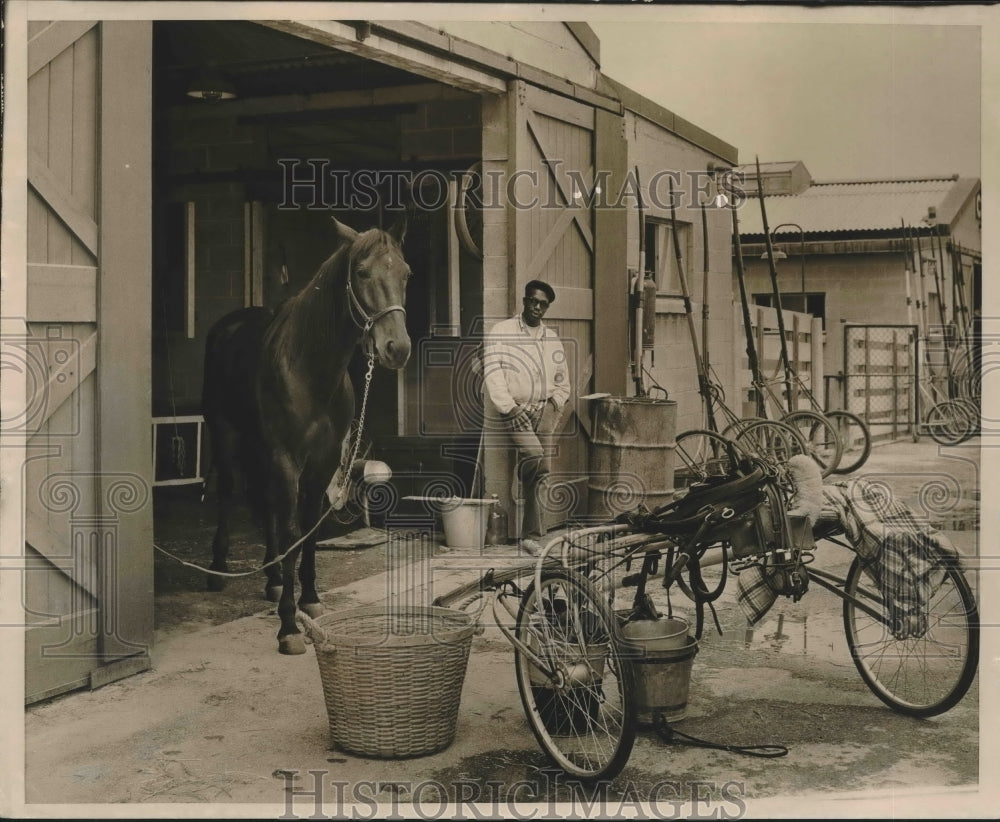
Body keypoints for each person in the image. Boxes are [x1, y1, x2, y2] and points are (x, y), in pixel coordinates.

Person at [482, 280, 571, 553]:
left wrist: (554, 404)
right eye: (533, 301)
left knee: (540, 475)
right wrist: (510, 407)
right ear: (524, 300)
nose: (537, 307)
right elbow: (493, 372)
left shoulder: (552, 338)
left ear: (547, 308)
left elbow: (562, 380)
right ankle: (527, 480)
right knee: (535, 459)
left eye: (543, 304)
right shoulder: (502, 332)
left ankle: (530, 536)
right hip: (516, 410)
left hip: (544, 409)